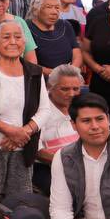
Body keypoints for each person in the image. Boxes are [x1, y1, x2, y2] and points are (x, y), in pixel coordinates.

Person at [0, 20, 51, 204]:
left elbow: (45, 109)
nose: (13, 41)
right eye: (6, 37)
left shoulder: (35, 72)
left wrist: (24, 132)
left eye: (18, 37)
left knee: (21, 200)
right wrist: (11, 131)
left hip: (24, 145)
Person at [34, 64, 85, 194]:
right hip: (46, 167)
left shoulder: (83, 106)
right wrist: (66, 162)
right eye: (65, 89)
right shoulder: (38, 109)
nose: (72, 94)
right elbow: (36, 150)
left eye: (76, 89)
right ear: (50, 87)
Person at [28, 0, 82, 74]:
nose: (54, 12)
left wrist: (71, 71)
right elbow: (28, 63)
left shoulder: (65, 25)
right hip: (39, 79)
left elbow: (77, 54)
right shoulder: (26, 28)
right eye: (49, 7)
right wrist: (55, 75)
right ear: (36, 9)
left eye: (57, 8)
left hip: (68, 76)